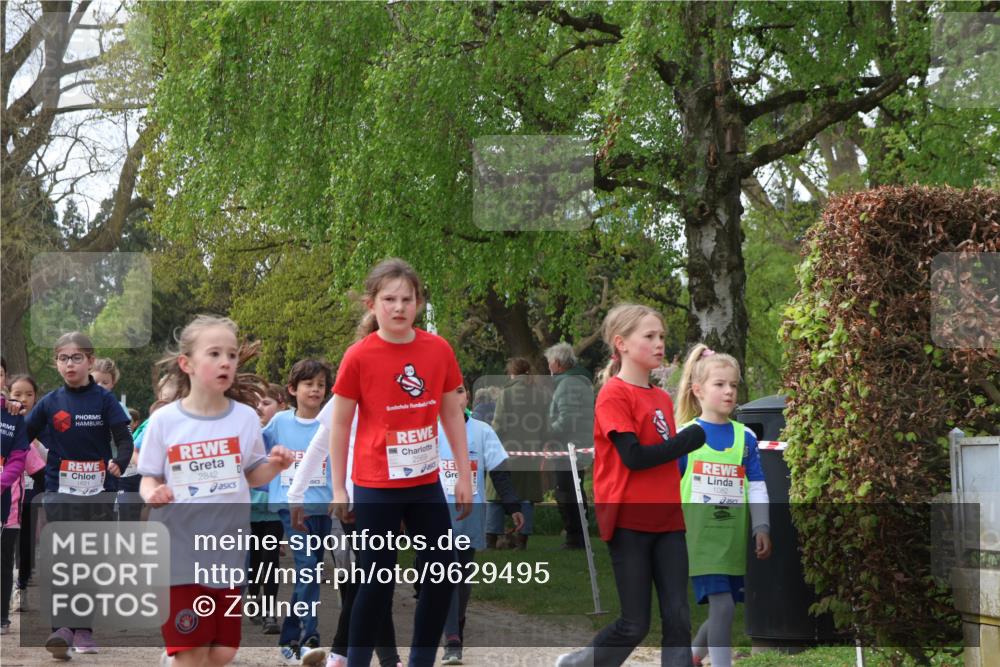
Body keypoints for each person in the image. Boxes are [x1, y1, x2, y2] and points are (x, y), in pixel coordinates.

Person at [327, 257, 472, 667]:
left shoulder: (438, 349)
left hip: (425, 483)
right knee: (376, 582)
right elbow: (340, 426)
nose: (398, 307)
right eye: (389, 299)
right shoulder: (358, 356)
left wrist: (462, 474)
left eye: (407, 299)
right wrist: (340, 487)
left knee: (443, 573)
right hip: (376, 485)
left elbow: (451, 415)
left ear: (419, 302)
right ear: (371, 304)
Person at [137, 315, 298, 667]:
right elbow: (147, 477)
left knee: (222, 651)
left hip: (225, 554)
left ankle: (171, 659)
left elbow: (254, 474)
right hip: (177, 553)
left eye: (231, 355)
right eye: (214, 353)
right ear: (187, 364)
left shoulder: (244, 418)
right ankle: (177, 656)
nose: (226, 361)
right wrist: (153, 492)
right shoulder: (165, 422)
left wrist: (276, 465)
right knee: (192, 654)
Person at [555, 304, 707, 667]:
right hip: (629, 522)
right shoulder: (613, 394)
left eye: (662, 337)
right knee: (635, 623)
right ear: (621, 343)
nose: (659, 344)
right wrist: (691, 438)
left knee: (678, 619)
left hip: (669, 521)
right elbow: (634, 457)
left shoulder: (659, 398)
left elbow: (668, 460)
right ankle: (579, 664)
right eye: (650, 336)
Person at [19, 332, 134, 658]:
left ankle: (83, 629)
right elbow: (21, 437)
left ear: (90, 361)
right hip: (59, 491)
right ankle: (61, 629)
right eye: (63, 358)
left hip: (98, 491)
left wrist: (119, 462)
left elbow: (124, 440)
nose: (70, 364)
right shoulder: (50, 403)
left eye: (76, 358)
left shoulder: (103, 399)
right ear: (57, 363)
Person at [675, 345, 771, 667]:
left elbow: (757, 485)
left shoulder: (746, 438)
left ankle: (691, 657)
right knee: (724, 608)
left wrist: (761, 526)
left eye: (733, 385)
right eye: (720, 384)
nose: (729, 391)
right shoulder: (684, 437)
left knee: (725, 607)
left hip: (731, 542)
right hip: (698, 544)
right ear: (698, 390)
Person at [288, 398, 402, 667]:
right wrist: (296, 494)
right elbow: (319, 445)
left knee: (369, 577)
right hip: (355, 501)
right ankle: (386, 658)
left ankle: (341, 653)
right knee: (376, 577)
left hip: (394, 498)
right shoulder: (348, 396)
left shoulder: (400, 396)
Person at [438, 382, 523, 665]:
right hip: (435, 517)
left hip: (469, 517)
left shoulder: (482, 432)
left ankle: (456, 623)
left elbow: (500, 473)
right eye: (448, 392)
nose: (456, 397)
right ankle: (452, 639)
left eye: (460, 391)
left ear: (468, 396)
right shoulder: (429, 431)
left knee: (461, 579)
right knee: (446, 577)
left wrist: (513, 507)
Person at [264, 359, 333, 664]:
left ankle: (289, 639)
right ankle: (309, 637)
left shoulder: (332, 422)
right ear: (292, 389)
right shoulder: (279, 423)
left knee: (311, 573)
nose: (315, 390)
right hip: (290, 508)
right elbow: (257, 452)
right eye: (309, 384)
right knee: (306, 568)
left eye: (320, 384)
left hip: (324, 507)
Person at [486, 358, 549, 550]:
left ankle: (490, 541)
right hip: (530, 454)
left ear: (512, 373)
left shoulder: (506, 394)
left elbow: (498, 426)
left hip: (505, 453)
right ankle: (522, 541)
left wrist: (488, 442)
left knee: (495, 496)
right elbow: (545, 428)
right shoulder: (541, 395)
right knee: (526, 497)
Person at [246, 381, 288, 636]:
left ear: (280, 405)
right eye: (256, 403)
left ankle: (270, 612)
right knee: (253, 558)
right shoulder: (246, 431)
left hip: (274, 507)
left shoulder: (283, 432)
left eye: (266, 403)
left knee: (270, 558)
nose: (260, 408)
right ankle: (253, 600)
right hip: (248, 507)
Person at [544, 342, 595, 550]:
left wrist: (546, 433)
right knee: (574, 489)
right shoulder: (578, 381)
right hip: (577, 443)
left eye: (549, 363)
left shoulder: (568, 384)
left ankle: (575, 537)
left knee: (566, 491)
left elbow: (566, 418)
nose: (548, 367)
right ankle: (578, 535)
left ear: (557, 363)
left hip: (568, 445)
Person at [6, 375, 46, 613]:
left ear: (36, 397)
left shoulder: (44, 421)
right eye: (17, 394)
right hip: (11, 492)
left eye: (29, 394)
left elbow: (47, 464)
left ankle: (21, 588)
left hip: (34, 491)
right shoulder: (7, 423)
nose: (23, 399)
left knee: (27, 543)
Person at [1, 391, 31, 635]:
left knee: (3, 560)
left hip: (8, 505)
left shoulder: (13, 416)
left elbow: (22, 459)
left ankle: (2, 615)